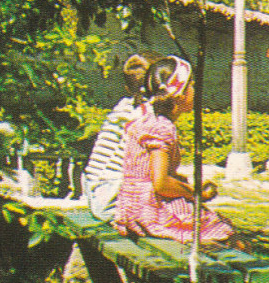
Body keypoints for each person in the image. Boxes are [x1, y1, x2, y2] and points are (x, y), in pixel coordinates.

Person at [114, 56, 234, 245]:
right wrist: (194, 192)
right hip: (151, 211)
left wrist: (182, 183)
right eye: (191, 85)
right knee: (228, 235)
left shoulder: (147, 120)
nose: (195, 91)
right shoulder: (161, 128)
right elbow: (160, 183)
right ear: (179, 94)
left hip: (132, 207)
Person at [81, 52, 155, 222]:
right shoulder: (146, 116)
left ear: (128, 87)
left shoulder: (124, 106)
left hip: (94, 189)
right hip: (111, 198)